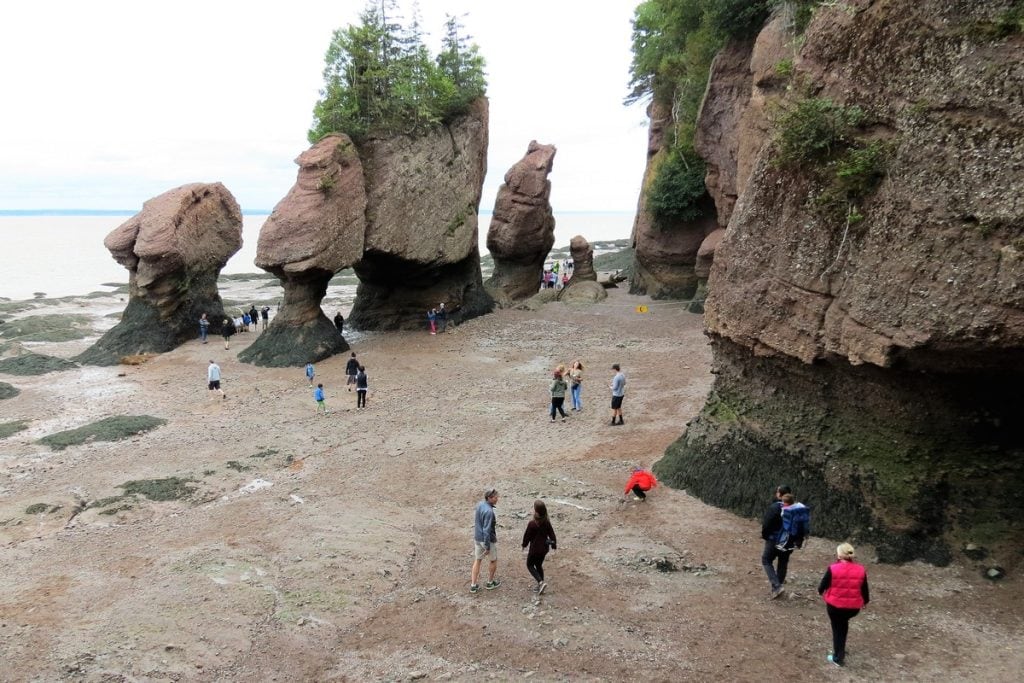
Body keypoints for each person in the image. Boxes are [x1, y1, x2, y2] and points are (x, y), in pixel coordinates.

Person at [818, 542, 870, 667]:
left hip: (835, 606)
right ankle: (841, 649)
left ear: (839, 555)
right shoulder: (861, 569)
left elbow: (822, 586)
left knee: (837, 629)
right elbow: (865, 589)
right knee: (843, 625)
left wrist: (821, 592)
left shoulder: (832, 568)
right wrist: (866, 601)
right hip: (852, 608)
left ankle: (838, 657)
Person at [762, 485, 794, 599]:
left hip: (774, 539)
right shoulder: (796, 508)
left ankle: (777, 587)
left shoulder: (775, 507)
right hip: (790, 541)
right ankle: (777, 588)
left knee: (766, 560)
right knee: (783, 563)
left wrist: (765, 536)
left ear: (779, 495)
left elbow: (767, 524)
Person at [522, 499, 557, 594]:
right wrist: (554, 545)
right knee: (538, 565)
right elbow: (552, 535)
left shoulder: (532, 524)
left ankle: (540, 582)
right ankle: (541, 586)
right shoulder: (546, 521)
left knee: (529, 565)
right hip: (544, 549)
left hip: (535, 549)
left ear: (536, 511)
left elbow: (527, 536)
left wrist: (524, 545)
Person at [471, 488, 500, 593]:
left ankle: (473, 585)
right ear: (490, 498)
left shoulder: (480, 505)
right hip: (486, 540)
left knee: (478, 560)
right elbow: (486, 530)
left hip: (477, 538)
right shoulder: (489, 512)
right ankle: (490, 583)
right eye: (495, 497)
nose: (497, 499)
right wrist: (487, 547)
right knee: (493, 560)